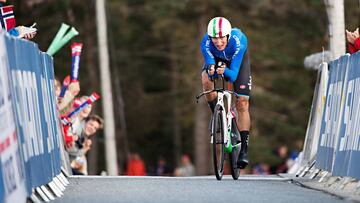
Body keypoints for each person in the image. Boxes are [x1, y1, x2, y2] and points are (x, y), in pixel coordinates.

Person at [200, 17, 252, 169]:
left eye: (222, 37)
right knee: (205, 81)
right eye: (215, 38)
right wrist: (211, 70)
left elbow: (233, 75)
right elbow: (210, 65)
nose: (219, 41)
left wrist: (224, 71)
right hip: (217, 60)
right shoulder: (206, 43)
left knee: (242, 102)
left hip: (237, 64)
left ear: (228, 36)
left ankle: (244, 149)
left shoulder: (239, 41)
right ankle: (216, 115)